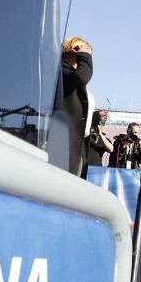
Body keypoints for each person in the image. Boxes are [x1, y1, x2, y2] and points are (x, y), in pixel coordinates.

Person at [61, 36, 94, 177]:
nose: (85, 53)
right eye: (81, 49)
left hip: (79, 141)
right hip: (64, 138)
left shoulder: (73, 74)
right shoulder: (61, 69)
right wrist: (84, 56)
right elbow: (81, 78)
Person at [82, 109, 113, 179]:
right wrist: (98, 115)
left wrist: (100, 135)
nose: (101, 126)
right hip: (83, 168)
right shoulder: (86, 135)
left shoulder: (104, 139)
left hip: (96, 171)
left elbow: (110, 149)